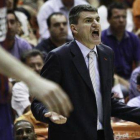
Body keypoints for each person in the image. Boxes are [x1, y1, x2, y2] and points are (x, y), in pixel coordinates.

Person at [31, 5, 140, 140]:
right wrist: (47, 113)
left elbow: (106, 101)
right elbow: (38, 102)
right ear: (74, 28)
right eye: (88, 20)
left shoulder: (107, 54)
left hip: (103, 135)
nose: (95, 24)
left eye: (97, 19)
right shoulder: (59, 57)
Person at [101, 2, 140, 80]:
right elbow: (104, 70)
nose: (121, 20)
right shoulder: (101, 39)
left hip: (130, 79)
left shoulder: (133, 38)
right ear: (108, 20)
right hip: (109, 80)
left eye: (124, 17)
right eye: (117, 17)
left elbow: (138, 66)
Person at [12, 50, 44, 117]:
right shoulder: (19, 87)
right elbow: (31, 113)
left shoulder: (51, 83)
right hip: (32, 125)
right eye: (32, 66)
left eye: (39, 65)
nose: (37, 68)